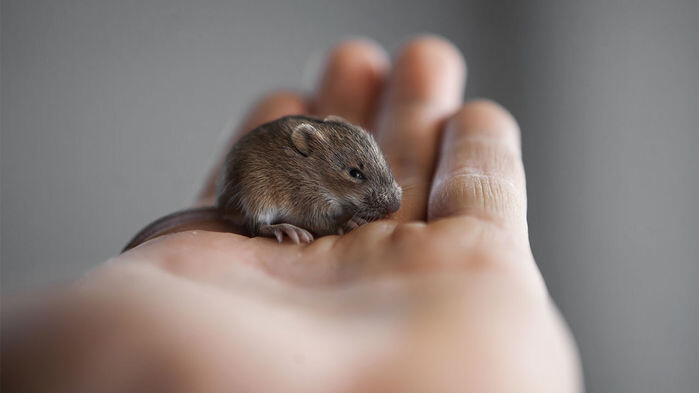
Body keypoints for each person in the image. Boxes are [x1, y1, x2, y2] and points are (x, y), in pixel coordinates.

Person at [1, 36, 581, 392]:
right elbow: (313, 208)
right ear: (307, 149)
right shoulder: (293, 169)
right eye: (356, 176)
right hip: (254, 200)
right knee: (271, 202)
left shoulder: (334, 163)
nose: (379, 194)